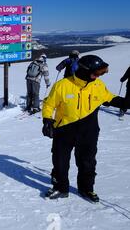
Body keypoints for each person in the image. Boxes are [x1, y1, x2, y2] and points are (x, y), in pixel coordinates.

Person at [42, 55, 130, 202]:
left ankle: (87, 189)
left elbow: (110, 98)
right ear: (84, 71)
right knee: (60, 161)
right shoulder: (62, 85)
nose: (98, 76)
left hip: (89, 130)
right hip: (64, 130)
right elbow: (49, 104)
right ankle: (60, 188)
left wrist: (125, 102)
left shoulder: (98, 85)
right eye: (96, 73)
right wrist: (47, 120)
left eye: (100, 73)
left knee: (87, 161)